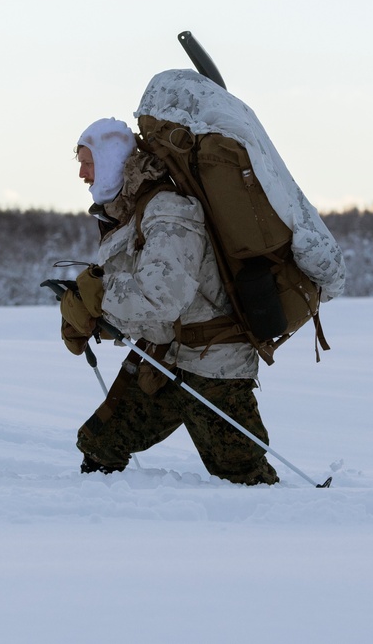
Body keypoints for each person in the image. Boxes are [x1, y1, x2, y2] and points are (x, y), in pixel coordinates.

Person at [59, 117, 279, 486]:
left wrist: (101, 297)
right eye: (80, 163)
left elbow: (163, 298)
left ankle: (297, 527)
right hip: (165, 357)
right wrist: (92, 315)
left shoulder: (169, 210)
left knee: (242, 476)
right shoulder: (130, 212)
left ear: (113, 159)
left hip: (213, 366)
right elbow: (150, 310)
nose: (82, 173)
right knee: (100, 444)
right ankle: (97, 526)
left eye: (89, 162)